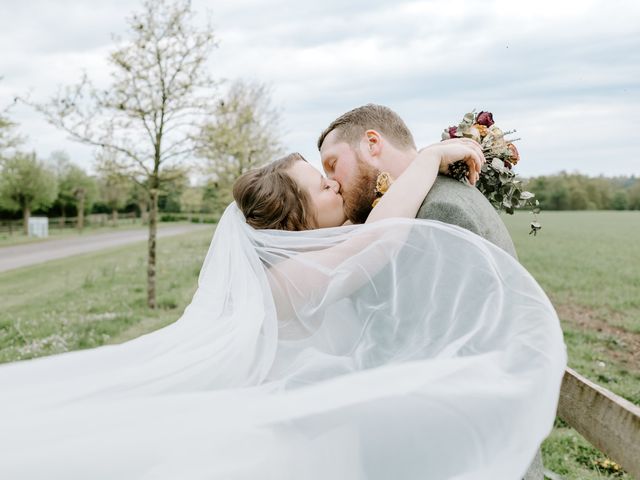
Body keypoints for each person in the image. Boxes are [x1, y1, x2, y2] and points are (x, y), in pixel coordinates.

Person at [0, 141, 566, 480]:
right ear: (295, 221)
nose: (334, 186)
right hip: (298, 445)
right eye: (322, 186)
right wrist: (427, 158)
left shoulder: (301, 266)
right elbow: (385, 238)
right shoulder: (287, 280)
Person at [318, 104, 518, 257]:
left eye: (332, 165)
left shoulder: (439, 212)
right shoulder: (426, 197)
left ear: (371, 144)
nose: (333, 183)